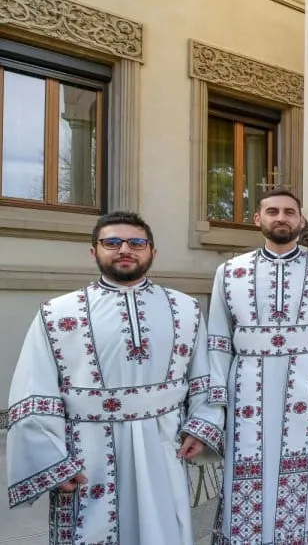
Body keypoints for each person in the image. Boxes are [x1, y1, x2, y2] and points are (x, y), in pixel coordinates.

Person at [6, 211, 223, 545]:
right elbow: (34, 389)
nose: (125, 249)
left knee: (163, 529)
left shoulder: (186, 308)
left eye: (137, 242)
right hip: (87, 451)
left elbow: (203, 376)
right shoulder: (57, 313)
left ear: (152, 251)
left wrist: (201, 426)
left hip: (162, 444)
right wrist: (54, 461)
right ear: (94, 251)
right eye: (112, 242)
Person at [205, 189, 308, 543]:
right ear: (258, 219)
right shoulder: (229, 272)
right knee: (247, 463)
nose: (280, 218)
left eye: (288, 212)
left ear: (300, 220)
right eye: (272, 211)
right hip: (247, 387)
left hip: (307, 384)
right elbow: (219, 339)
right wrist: (216, 402)